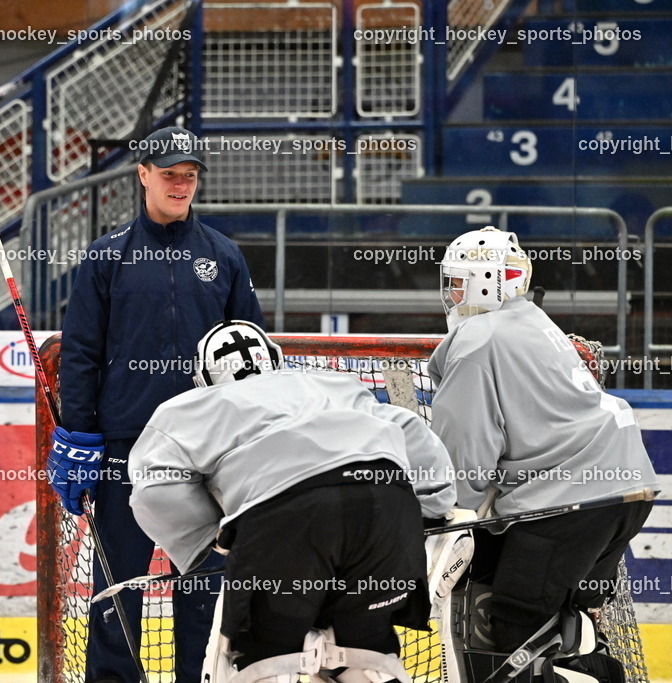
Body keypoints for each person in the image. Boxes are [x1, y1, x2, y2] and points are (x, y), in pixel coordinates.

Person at [126, 320, 458, 682]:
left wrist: (210, 535)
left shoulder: (189, 407)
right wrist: (429, 509)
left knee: (265, 659)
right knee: (363, 655)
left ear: (204, 380)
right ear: (276, 360)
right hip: (385, 510)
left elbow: (153, 488)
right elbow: (410, 428)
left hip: (285, 521)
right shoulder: (330, 383)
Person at [50, 126, 265, 682]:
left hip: (207, 455)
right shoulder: (106, 258)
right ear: (142, 174)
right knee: (118, 584)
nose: (181, 184)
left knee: (202, 583)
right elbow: (79, 355)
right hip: (127, 448)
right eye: (169, 173)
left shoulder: (224, 256)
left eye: (189, 175)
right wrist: (78, 434)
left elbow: (252, 354)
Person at [428, 226, 659, 681]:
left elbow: (468, 446)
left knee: (511, 627)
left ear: (488, 281)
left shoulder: (478, 340)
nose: (451, 293)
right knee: (560, 615)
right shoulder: (532, 321)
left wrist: (448, 514)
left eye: (458, 281)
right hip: (623, 491)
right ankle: (587, 655)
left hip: (571, 500)